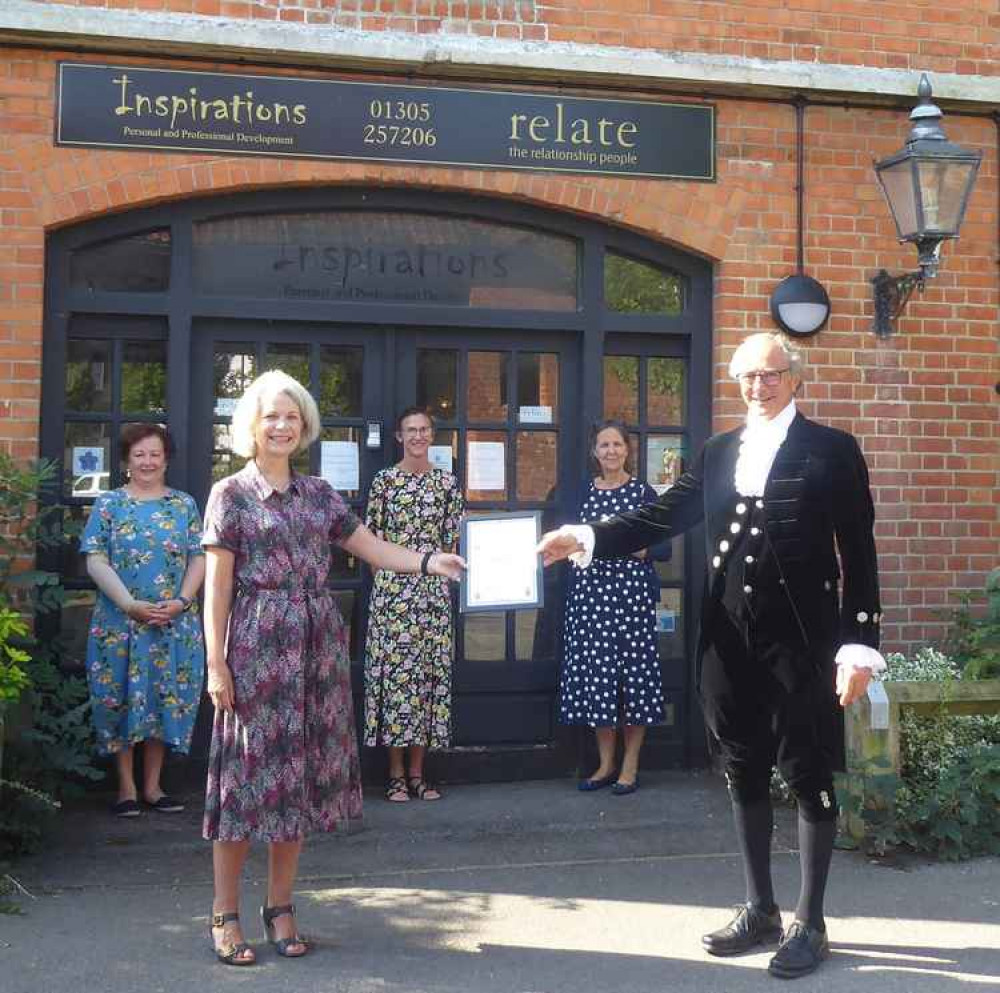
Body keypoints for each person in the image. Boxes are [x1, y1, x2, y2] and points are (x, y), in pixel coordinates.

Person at [539, 333, 884, 979]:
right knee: (743, 765)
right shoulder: (719, 449)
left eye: (772, 374)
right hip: (727, 635)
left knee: (807, 771)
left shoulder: (832, 449)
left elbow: (857, 554)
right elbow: (662, 516)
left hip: (803, 638)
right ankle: (760, 908)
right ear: (737, 381)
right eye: (749, 376)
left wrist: (858, 643)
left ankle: (811, 919)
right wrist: (585, 535)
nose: (760, 385)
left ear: (795, 377)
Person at [201, 371, 463, 967]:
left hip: (315, 652)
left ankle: (281, 907)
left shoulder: (319, 494)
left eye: (292, 416)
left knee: (296, 783)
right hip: (255, 648)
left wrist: (427, 560)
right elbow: (216, 590)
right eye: (271, 415)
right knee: (246, 786)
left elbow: (371, 547)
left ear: (305, 425)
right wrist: (216, 663)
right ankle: (224, 912)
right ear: (252, 425)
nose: (282, 425)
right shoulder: (230, 495)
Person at [82, 423, 205, 818]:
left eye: (155, 454)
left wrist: (183, 601)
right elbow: (95, 558)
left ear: (166, 458)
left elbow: (199, 556)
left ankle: (154, 786)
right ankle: (126, 788)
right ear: (126, 461)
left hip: (172, 622)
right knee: (118, 697)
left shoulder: (183, 504)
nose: (148, 461)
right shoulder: (109, 504)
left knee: (161, 697)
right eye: (140, 455)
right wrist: (128, 603)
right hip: (120, 622)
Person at [562, 420, 670, 796]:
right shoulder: (580, 493)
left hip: (631, 603)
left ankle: (630, 764)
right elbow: (567, 540)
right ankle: (605, 763)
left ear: (627, 450)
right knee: (599, 681)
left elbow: (663, 548)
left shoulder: (644, 493)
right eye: (603, 445)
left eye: (617, 445)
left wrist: (627, 548)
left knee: (634, 682)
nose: (610, 451)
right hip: (590, 602)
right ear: (594, 452)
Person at [363, 407, 463, 803]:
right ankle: (395, 775)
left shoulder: (447, 484)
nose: (418, 436)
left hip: (433, 595)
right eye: (410, 430)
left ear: (432, 435)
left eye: (424, 430)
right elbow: (370, 542)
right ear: (399, 437)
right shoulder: (384, 482)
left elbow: (453, 539)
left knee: (426, 683)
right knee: (395, 683)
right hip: (392, 596)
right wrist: (390, 583)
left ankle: (419, 774)